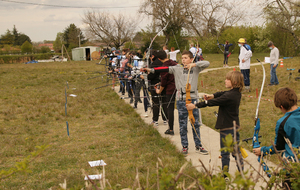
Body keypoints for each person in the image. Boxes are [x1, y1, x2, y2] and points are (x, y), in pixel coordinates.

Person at [142, 50, 210, 155]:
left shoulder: (196, 68)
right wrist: (150, 70)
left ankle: (198, 146)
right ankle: (185, 146)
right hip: (181, 100)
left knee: (195, 123)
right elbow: (163, 69)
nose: (183, 60)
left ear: (191, 59)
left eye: (186, 58)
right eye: (182, 58)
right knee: (182, 124)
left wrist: (193, 64)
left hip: (193, 99)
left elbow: (207, 63)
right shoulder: (177, 68)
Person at [186, 70, 244, 175]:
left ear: (234, 82)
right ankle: (241, 172)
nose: (225, 81)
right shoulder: (234, 93)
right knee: (235, 151)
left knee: (226, 152)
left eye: (228, 79)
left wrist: (195, 106)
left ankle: (226, 174)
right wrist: (212, 95)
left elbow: (213, 102)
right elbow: (221, 94)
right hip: (232, 126)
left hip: (228, 128)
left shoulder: (230, 96)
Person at [253, 87, 300, 189]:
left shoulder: (283, 122)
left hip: (292, 168)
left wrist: (262, 151)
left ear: (282, 107)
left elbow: (278, 147)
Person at [154, 50, 177, 135]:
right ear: (167, 55)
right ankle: (183, 127)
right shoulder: (175, 63)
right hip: (178, 88)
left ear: (159, 59)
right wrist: (160, 83)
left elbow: (164, 81)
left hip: (170, 90)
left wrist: (159, 90)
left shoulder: (164, 67)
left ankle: (171, 129)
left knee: (170, 109)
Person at [147, 50, 167, 126]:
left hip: (154, 85)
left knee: (155, 103)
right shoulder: (165, 63)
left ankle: (155, 120)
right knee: (164, 102)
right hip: (164, 84)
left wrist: (147, 74)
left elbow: (150, 76)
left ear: (153, 56)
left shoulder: (154, 64)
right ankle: (166, 119)